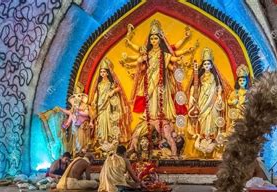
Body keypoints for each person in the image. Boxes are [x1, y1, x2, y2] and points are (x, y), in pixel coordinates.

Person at [124, 20, 196, 158]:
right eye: (151, 38)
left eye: (156, 37)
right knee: (150, 100)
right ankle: (151, 116)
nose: (153, 40)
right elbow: (137, 59)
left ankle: (173, 151)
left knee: (160, 97)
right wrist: (130, 61)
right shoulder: (147, 54)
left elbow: (173, 60)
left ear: (160, 39)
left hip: (162, 84)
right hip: (149, 82)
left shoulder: (165, 54)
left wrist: (183, 56)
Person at [90, 58, 131, 146]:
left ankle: (109, 139)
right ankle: (102, 140)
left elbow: (119, 88)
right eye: (101, 72)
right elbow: (97, 93)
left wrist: (113, 91)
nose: (102, 74)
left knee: (108, 121)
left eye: (104, 72)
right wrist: (94, 101)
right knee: (101, 122)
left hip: (108, 105)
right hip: (100, 105)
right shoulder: (99, 84)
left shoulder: (110, 83)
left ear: (108, 72)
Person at [188, 48, 224, 138]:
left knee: (212, 116)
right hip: (202, 100)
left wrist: (219, 96)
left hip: (212, 100)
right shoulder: (200, 76)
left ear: (211, 66)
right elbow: (194, 86)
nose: (206, 65)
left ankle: (212, 136)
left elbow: (219, 87)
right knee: (202, 117)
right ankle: (202, 136)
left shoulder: (215, 76)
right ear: (203, 66)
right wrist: (191, 96)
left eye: (208, 64)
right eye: (205, 64)